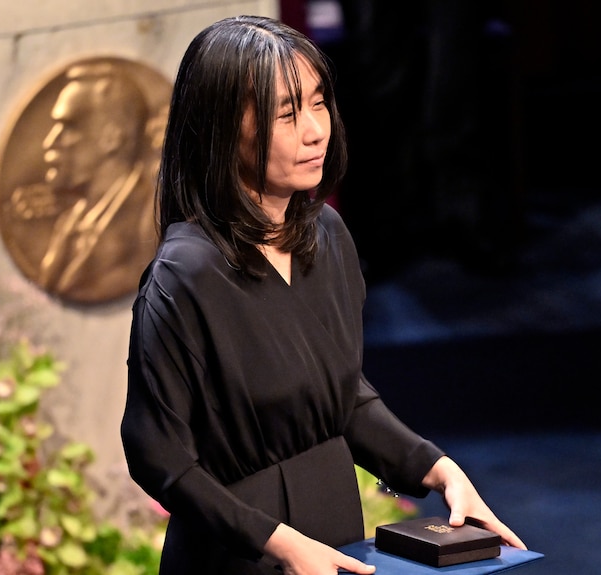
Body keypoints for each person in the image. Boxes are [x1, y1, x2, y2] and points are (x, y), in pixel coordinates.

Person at [120, 14, 526, 575]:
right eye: (287, 113)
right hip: (239, 553)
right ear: (221, 129)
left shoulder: (326, 235)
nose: (315, 129)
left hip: (334, 532)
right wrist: (279, 543)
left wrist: (438, 469)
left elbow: (343, 400)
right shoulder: (183, 274)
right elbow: (156, 454)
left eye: (318, 104)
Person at [36, 61, 157, 303]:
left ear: (111, 139)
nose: (50, 142)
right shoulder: (69, 225)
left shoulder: (151, 220)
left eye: (68, 127)